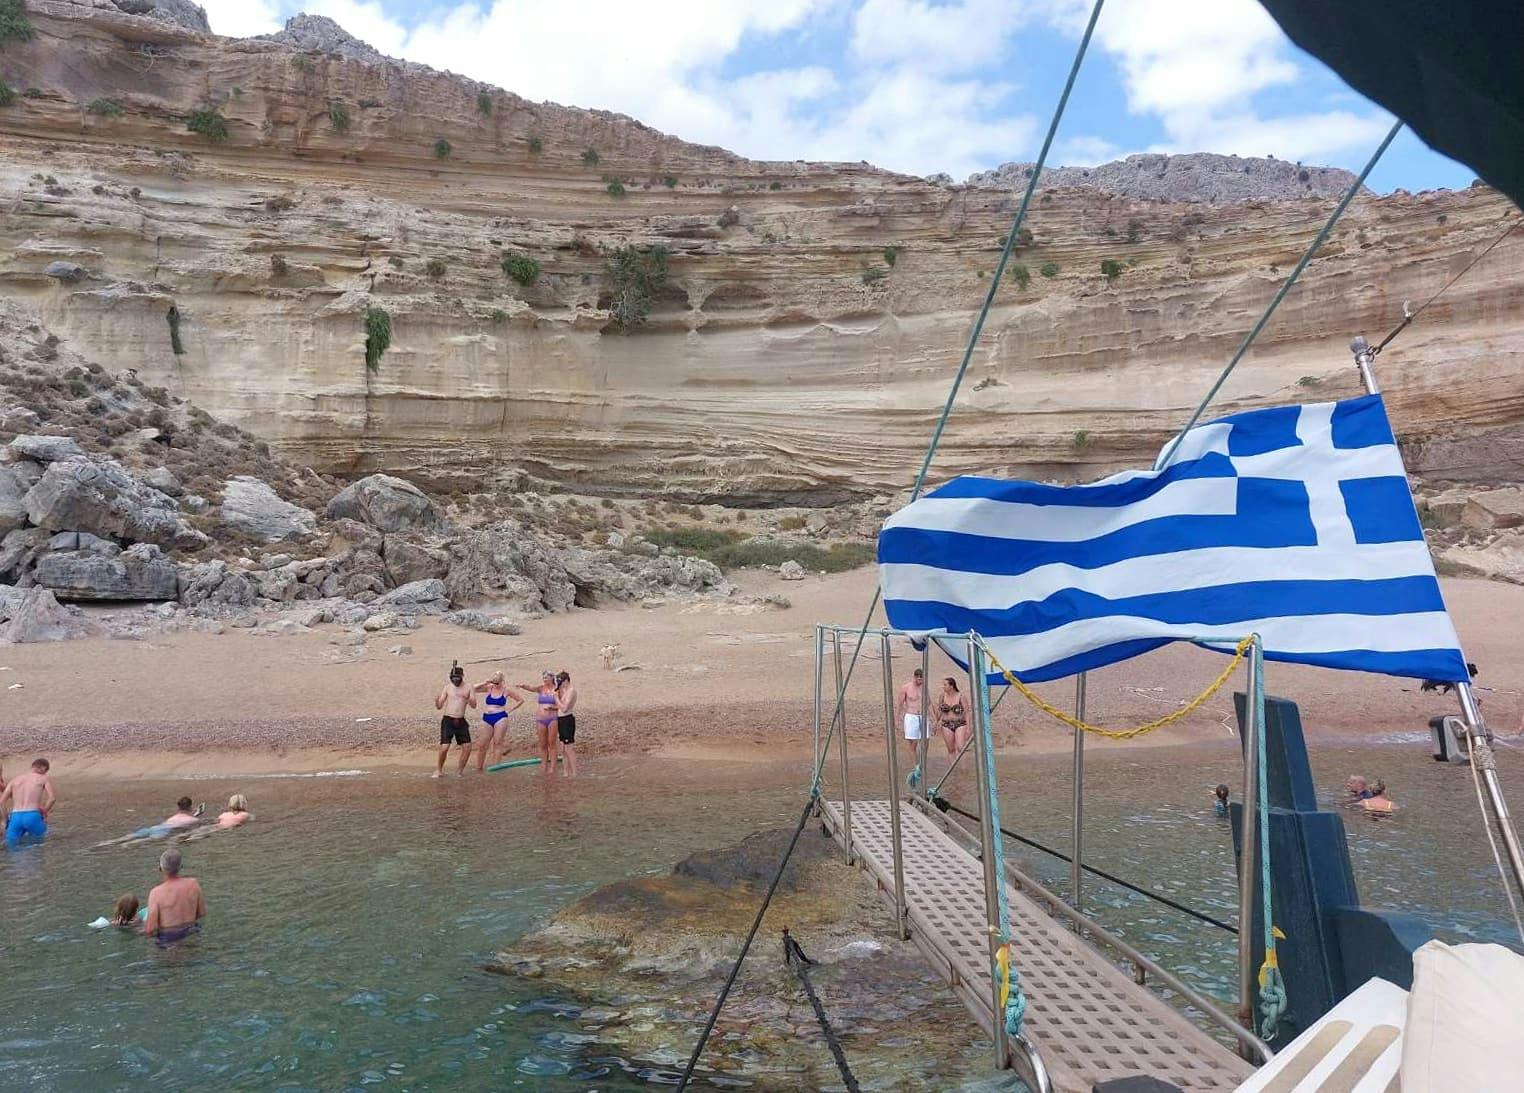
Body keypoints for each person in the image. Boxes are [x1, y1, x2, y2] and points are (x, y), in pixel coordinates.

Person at [144, 847, 205, 945]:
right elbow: (201, 913)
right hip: (193, 932)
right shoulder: (194, 884)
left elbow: (150, 929)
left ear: (160, 868)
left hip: (168, 938)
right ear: (181, 866)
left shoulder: (155, 893)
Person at [473, 672, 525, 771]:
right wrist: (485, 682)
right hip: (487, 716)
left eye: (498, 683)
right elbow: (473, 688)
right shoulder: (489, 687)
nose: (496, 685)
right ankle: (478, 768)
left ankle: (496, 768)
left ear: (502, 681)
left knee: (497, 743)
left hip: (500, 716)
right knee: (482, 744)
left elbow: (520, 700)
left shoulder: (506, 690)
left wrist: (510, 709)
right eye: (494, 682)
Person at [434, 663, 477, 777]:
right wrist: (437, 701)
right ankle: (439, 770)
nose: (455, 681)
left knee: (467, 747)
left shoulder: (469, 687)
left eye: (457, 678)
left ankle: (459, 771)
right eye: (453, 679)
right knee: (444, 747)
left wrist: (468, 699)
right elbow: (439, 706)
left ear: (462, 676)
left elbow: (474, 705)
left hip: (461, 720)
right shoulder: (447, 687)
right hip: (448, 720)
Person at [2, 758, 55, 848]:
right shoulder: (43, 778)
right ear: (43, 767)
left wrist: (6, 820)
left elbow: (1, 802)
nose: (45, 773)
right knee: (38, 847)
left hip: (15, 817)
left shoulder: (14, 780)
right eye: (46, 771)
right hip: (33, 815)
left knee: (12, 847)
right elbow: (52, 799)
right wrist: (44, 812)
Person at [516, 671, 561, 774]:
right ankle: (544, 766)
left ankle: (553, 768)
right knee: (543, 744)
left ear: (552, 678)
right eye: (543, 677)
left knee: (552, 743)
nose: (544, 679)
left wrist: (553, 707)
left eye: (546, 677)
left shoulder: (557, 690)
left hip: (553, 718)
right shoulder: (541, 688)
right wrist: (523, 686)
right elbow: (531, 688)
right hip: (540, 719)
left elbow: (563, 705)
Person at [894, 668, 928, 763]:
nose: (921, 681)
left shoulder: (924, 687)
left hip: (922, 715)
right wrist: (896, 719)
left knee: (925, 740)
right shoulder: (906, 688)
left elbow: (928, 703)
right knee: (913, 742)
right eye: (919, 679)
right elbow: (899, 704)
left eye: (922, 679)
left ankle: (922, 763)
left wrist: (934, 717)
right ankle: (915, 766)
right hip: (911, 716)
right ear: (915, 677)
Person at [936, 678, 969, 757]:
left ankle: (962, 768)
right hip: (946, 724)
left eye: (945, 685)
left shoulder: (961, 696)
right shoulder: (942, 696)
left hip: (960, 723)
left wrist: (968, 727)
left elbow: (967, 712)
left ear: (951, 686)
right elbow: (940, 710)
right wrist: (936, 722)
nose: (943, 687)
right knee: (950, 749)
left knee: (961, 747)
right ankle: (953, 768)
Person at [555, 670, 579, 778]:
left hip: (567, 720)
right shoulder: (564, 690)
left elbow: (564, 708)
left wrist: (556, 699)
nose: (559, 683)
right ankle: (566, 773)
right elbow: (560, 706)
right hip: (561, 720)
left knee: (569, 748)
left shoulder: (571, 691)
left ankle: (574, 774)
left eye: (560, 681)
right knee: (563, 749)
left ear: (566, 680)